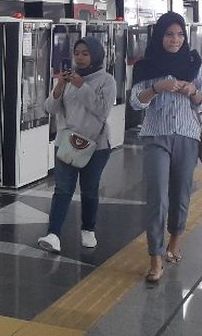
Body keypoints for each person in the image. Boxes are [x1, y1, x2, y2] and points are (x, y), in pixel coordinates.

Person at [130, 11, 202, 283]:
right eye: (168, 34)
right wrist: (157, 88)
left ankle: (176, 238)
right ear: (159, 36)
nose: (174, 40)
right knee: (157, 196)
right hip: (155, 136)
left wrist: (194, 92)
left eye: (179, 35)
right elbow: (135, 102)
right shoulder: (146, 66)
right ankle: (155, 255)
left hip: (187, 135)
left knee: (181, 193)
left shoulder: (193, 63)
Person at [38, 36, 116, 254]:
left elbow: (102, 110)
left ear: (95, 55)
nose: (80, 58)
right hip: (66, 143)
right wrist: (60, 85)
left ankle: (88, 229)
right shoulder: (67, 78)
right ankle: (53, 234)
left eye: (85, 53)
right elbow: (50, 109)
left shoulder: (106, 80)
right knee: (62, 189)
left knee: (89, 189)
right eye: (77, 53)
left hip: (96, 146)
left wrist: (82, 86)